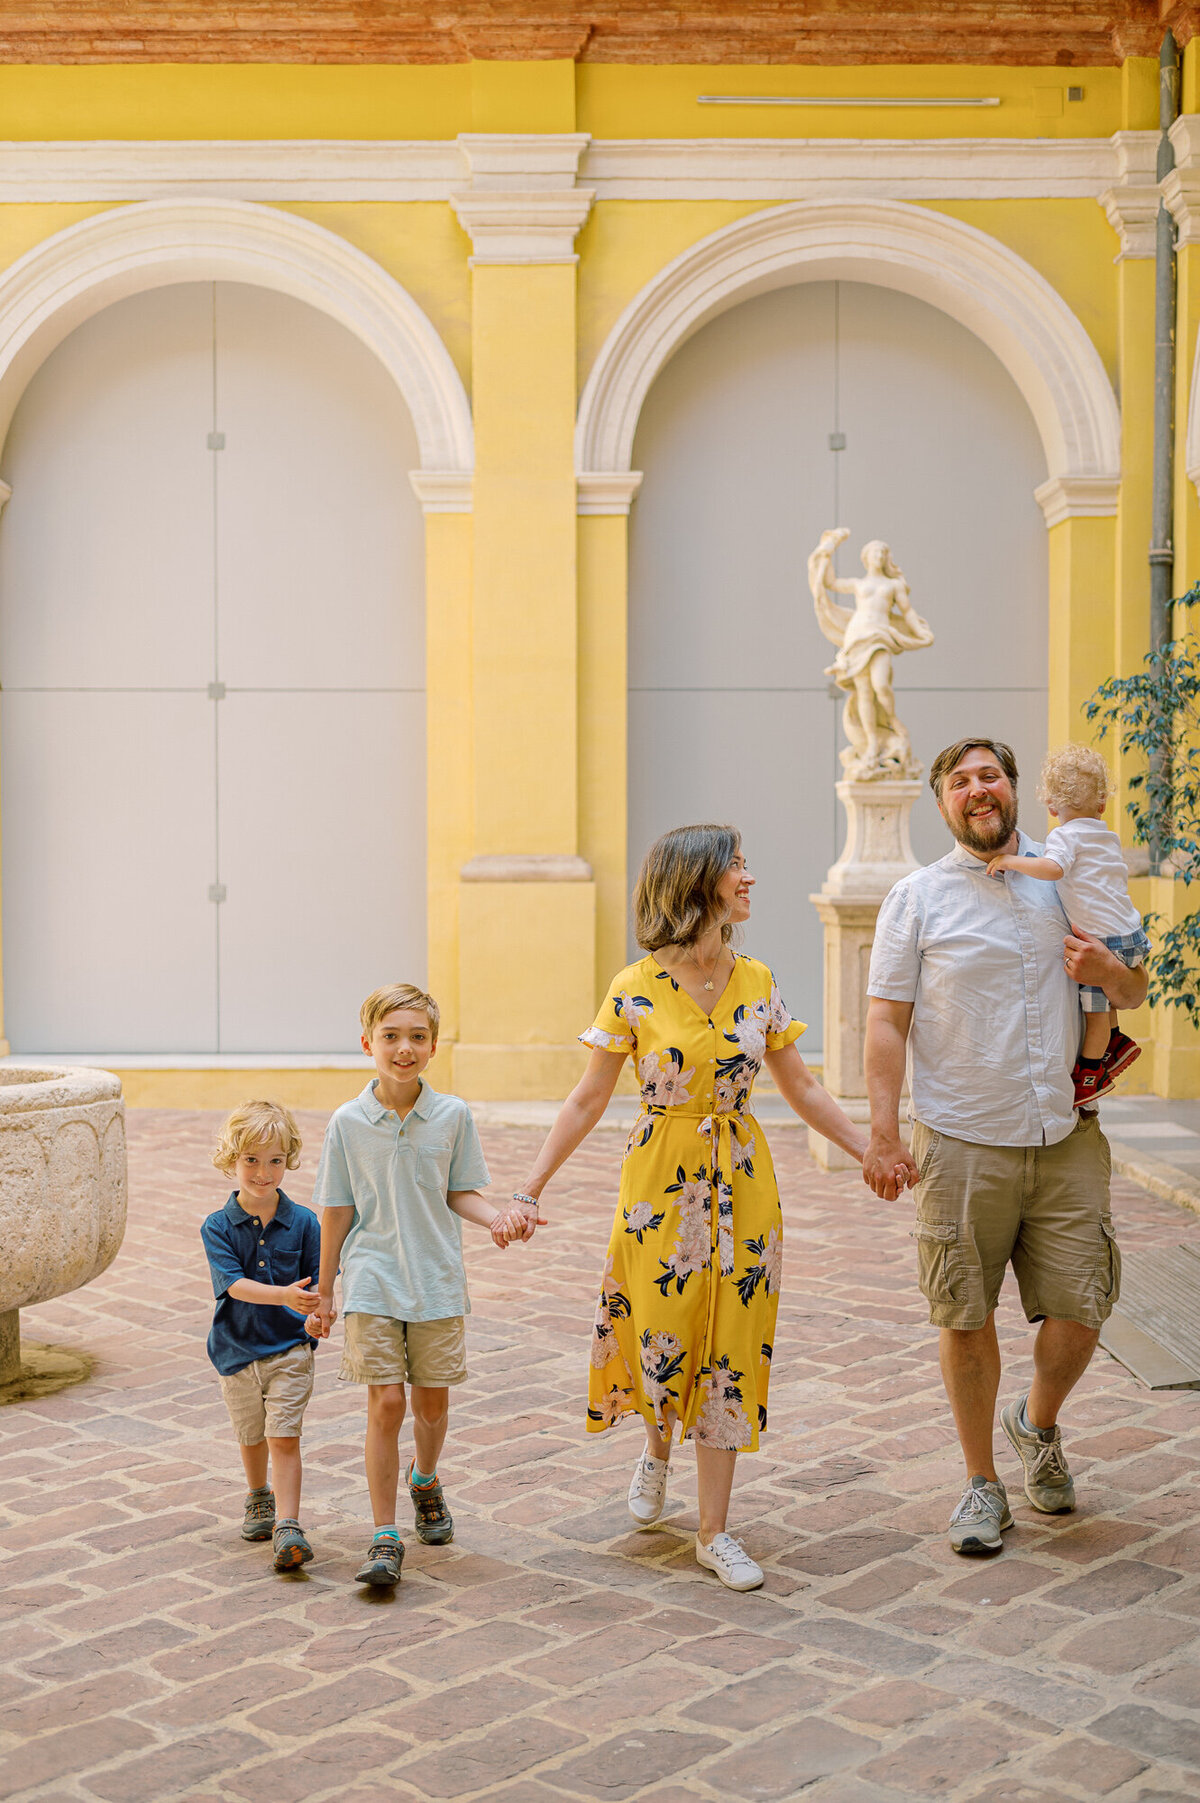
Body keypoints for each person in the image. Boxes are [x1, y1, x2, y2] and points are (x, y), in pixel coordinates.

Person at [508, 825, 872, 1592]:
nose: (749, 876)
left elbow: (802, 1086)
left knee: (731, 1340)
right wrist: (530, 1186)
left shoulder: (758, 979)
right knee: (662, 1328)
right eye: (736, 865)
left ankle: (714, 1529)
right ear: (697, 881)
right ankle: (656, 1446)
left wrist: (868, 1148)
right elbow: (587, 1098)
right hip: (659, 1185)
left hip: (743, 1179)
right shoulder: (634, 985)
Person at [863, 739, 1147, 1556]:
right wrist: (883, 1131)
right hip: (961, 1141)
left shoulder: (1067, 874)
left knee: (1084, 1307)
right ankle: (981, 1481)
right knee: (965, 1312)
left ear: (1016, 791)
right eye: (960, 781)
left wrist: (1108, 967)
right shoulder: (917, 897)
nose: (977, 789)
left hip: (1065, 1135)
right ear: (942, 804)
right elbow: (885, 1019)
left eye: (989, 775)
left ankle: (1038, 1421)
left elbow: (1132, 989)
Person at [306, 983, 527, 1589]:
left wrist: (497, 1220)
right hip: (372, 1279)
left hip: (435, 1281)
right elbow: (336, 1210)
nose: (404, 1048)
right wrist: (325, 1290)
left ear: (432, 1046)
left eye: (417, 1037)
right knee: (386, 1403)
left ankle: (424, 1478)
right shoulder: (347, 1123)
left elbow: (459, 1192)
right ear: (367, 1044)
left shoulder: (453, 1116)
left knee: (431, 1407)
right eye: (391, 1036)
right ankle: (384, 1535)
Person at [985, 742, 1148, 1107]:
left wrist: (1010, 862)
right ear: (1102, 804)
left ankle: (1090, 1075)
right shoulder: (1106, 835)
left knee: (1094, 1016)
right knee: (1105, 999)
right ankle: (1117, 1043)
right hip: (1130, 935)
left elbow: (1053, 869)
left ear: (1051, 806)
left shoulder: (1064, 836)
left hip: (1101, 941)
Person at [200, 1100, 324, 1574]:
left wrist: (318, 1315)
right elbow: (234, 1285)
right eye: (251, 1159)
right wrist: (284, 1295)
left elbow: (319, 1284)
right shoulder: (217, 1226)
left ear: (288, 1159)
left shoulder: (305, 1222)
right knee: (251, 1435)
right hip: (236, 1351)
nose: (263, 1172)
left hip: (290, 1350)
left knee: (283, 1436)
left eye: (275, 1160)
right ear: (231, 1159)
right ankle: (258, 1495)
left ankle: (289, 1525)